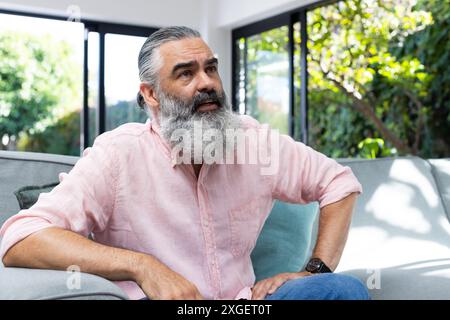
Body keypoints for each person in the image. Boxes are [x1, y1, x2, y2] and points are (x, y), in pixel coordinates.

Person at [0, 26, 369, 300]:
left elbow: (338, 182)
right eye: (186, 73)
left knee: (342, 290)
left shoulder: (253, 141)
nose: (206, 83)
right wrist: (142, 267)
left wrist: (313, 270)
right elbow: (22, 238)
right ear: (150, 94)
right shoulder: (118, 153)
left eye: (211, 69)